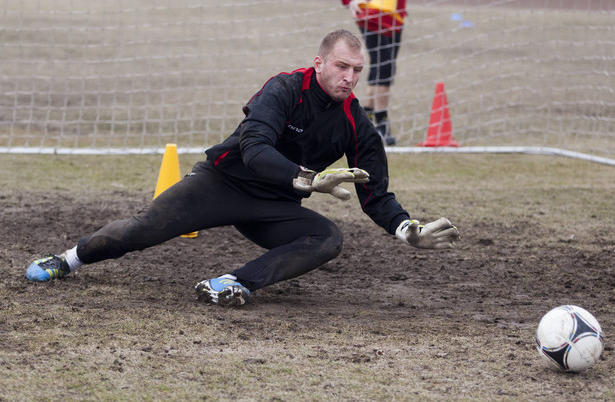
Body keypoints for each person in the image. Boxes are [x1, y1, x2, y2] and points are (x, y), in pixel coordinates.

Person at [25, 29, 459, 307]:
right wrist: (308, 180)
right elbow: (254, 148)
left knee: (327, 237)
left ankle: (231, 283)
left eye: (357, 70)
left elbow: (374, 193)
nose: (349, 77)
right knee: (138, 232)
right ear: (320, 63)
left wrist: (406, 229)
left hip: (272, 205)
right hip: (221, 182)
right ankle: (69, 259)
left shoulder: (356, 123)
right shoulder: (285, 88)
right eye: (342, 67)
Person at [341, 0, 407, 145]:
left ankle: (366, 118)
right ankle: (382, 123)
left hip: (395, 14)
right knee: (385, 65)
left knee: (382, 64)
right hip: (370, 9)